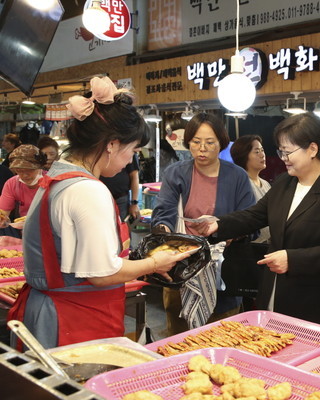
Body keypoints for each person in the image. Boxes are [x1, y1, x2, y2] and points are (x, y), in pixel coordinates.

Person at [7, 76, 188, 349]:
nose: (131, 159)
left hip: (51, 311)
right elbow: (101, 274)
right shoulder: (88, 190)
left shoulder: (58, 176)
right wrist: (155, 263)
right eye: (133, 150)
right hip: (72, 320)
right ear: (112, 144)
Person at [196, 113, 320, 330]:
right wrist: (219, 224)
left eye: (288, 151)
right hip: (272, 290)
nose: (283, 157)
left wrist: (292, 259)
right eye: (280, 151)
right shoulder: (285, 183)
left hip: (313, 301)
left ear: (312, 149)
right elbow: (255, 215)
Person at [151, 112, 255, 335]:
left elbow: (251, 222)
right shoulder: (175, 173)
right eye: (196, 142)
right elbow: (163, 214)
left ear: (221, 143)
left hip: (223, 274)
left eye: (210, 143)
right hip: (181, 270)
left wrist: (228, 233)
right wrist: (164, 233)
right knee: (180, 342)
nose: (202, 149)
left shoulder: (237, 177)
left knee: (225, 338)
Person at [230, 134, 271, 243]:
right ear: (244, 155)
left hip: (267, 245)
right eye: (257, 152)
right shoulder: (241, 184)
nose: (262, 155)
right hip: (249, 247)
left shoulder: (265, 184)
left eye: (262, 150)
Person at [0, 145, 47, 235]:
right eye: (19, 170)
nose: (25, 175)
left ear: (40, 167)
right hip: (23, 233)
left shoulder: (53, 184)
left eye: (29, 170)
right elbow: (3, 212)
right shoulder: (12, 184)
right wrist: (3, 220)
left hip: (49, 232)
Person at [100, 154, 141, 221]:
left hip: (121, 198)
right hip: (101, 197)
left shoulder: (128, 149)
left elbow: (135, 176)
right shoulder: (101, 150)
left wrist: (134, 203)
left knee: (122, 227)